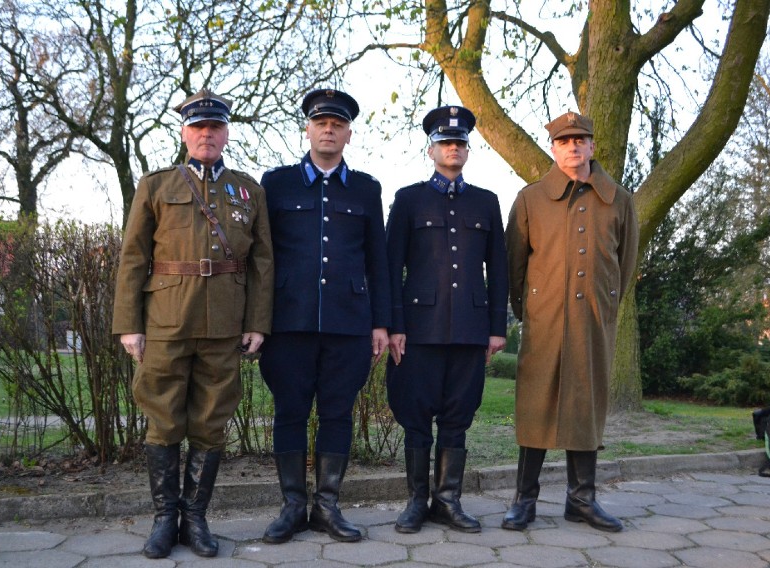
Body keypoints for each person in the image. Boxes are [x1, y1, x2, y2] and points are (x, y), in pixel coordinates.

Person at [112, 89, 273, 559]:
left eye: (216, 127)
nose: (208, 135)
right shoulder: (157, 186)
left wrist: (257, 323)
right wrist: (129, 324)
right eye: (199, 127)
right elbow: (133, 258)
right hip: (166, 321)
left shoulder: (248, 190)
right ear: (185, 133)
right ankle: (165, 520)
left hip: (225, 323)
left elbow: (263, 262)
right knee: (162, 421)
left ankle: (196, 519)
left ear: (226, 133)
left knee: (211, 423)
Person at [258, 88, 391, 544]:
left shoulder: (368, 189)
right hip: (288, 322)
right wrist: (256, 320)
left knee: (338, 413)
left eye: (337, 124)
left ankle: (328, 506)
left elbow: (379, 261)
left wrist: (381, 323)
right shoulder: (275, 185)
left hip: (348, 324)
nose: (328, 130)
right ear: (308, 129)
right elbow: (262, 257)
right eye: (321, 123)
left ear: (349, 134)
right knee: (289, 412)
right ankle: (294, 505)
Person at [503, 111, 638, 533]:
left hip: (593, 321)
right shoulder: (530, 199)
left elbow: (625, 262)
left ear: (593, 147)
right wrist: (530, 310)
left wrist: (606, 306)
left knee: (586, 403)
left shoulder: (619, 199)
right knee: (536, 404)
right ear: (554, 148)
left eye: (581, 139)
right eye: (565, 141)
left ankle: (582, 500)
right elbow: (514, 266)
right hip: (544, 321)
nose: (574, 146)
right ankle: (525, 501)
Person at [385, 105, 509, 534]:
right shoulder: (408, 200)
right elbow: (390, 266)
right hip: (418, 331)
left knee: (458, 416)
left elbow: (499, 268)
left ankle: (449, 500)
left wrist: (497, 328)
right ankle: (417, 501)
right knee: (416, 416)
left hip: (470, 330)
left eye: (459, 143)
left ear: (468, 151)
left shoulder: (487, 202)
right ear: (431, 149)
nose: (452, 148)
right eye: (445, 142)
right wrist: (394, 324)